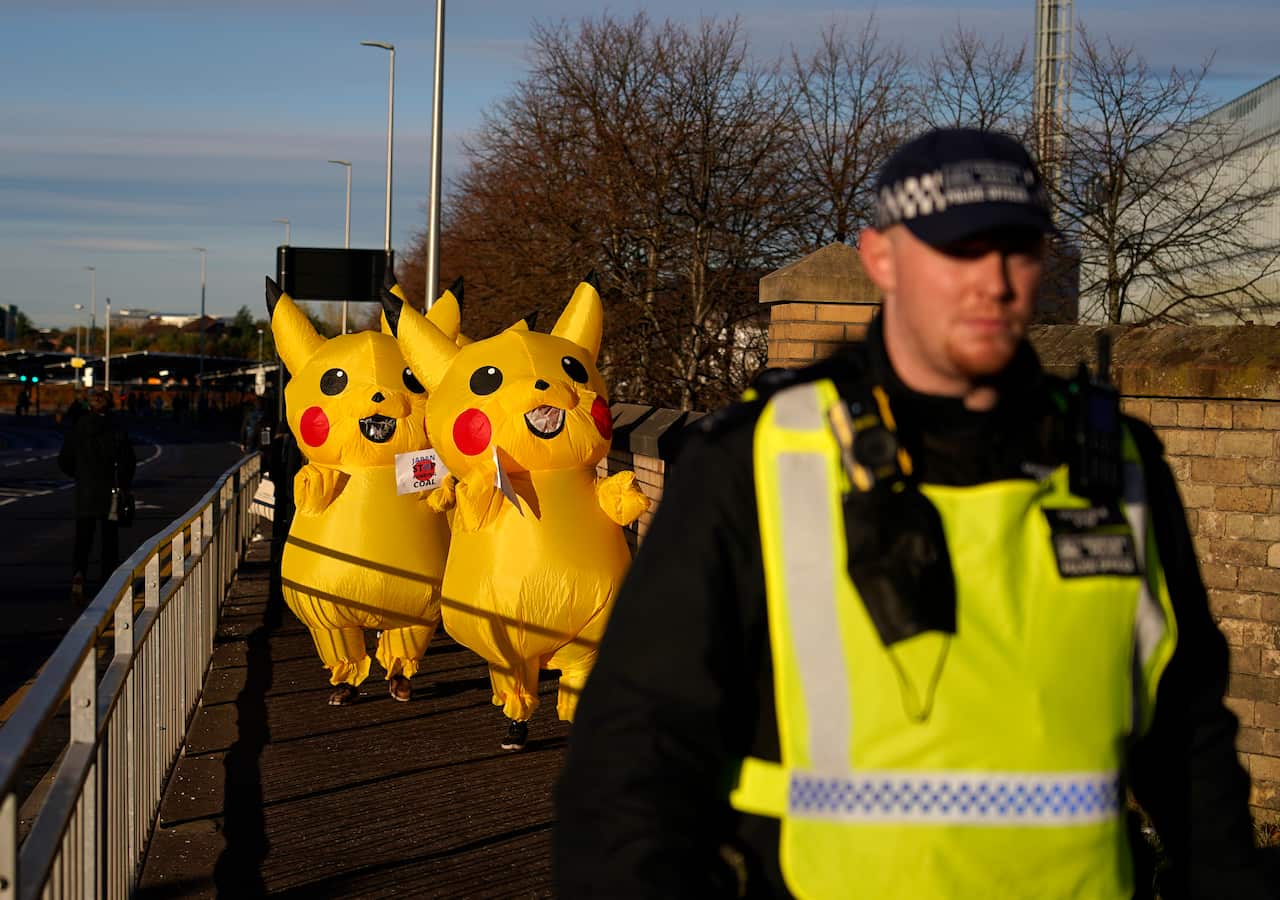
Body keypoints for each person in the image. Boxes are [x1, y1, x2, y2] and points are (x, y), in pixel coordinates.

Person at [553, 128, 1275, 899]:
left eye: (1019, 249)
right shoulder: (756, 460)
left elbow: (1188, 741)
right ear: (881, 258)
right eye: (957, 249)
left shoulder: (1116, 463)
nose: (993, 282)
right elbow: (633, 764)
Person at [58, 388, 136, 601]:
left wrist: (80, 475)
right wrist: (124, 484)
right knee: (109, 538)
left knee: (83, 538)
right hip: (110, 491)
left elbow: (64, 459)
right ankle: (108, 580)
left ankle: (79, 573)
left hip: (85, 491)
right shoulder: (117, 428)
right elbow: (129, 461)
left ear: (90, 405)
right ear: (110, 405)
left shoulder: (79, 427)